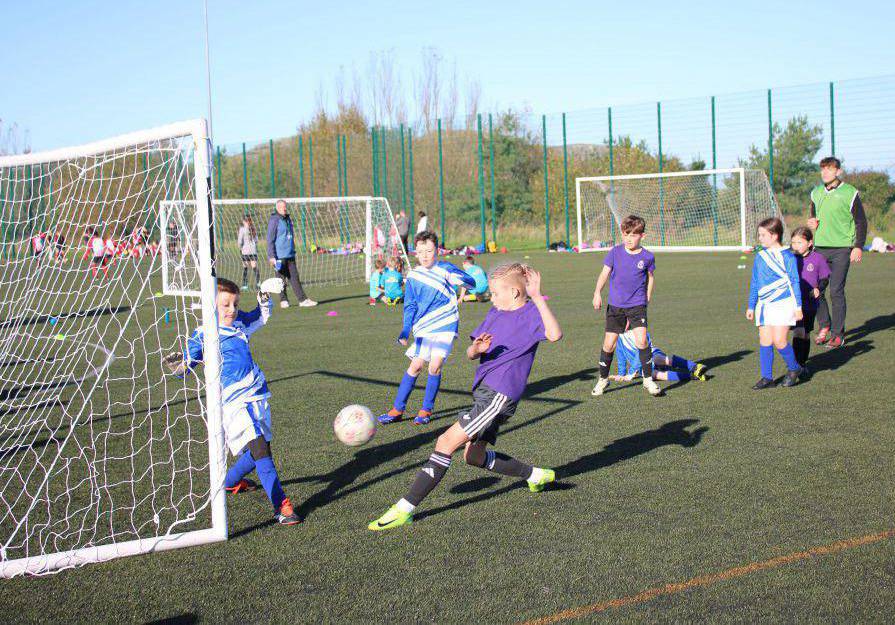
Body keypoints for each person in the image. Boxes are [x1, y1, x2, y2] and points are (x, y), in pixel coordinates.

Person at [368, 263, 562, 531]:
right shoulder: (495, 312)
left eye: (495, 292)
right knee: (474, 456)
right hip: (485, 393)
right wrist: (476, 348)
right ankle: (535, 475)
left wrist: (538, 297)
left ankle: (404, 508)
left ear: (516, 292)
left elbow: (554, 335)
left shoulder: (531, 313)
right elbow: (471, 353)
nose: (490, 297)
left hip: (499, 396)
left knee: (445, 441)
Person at [163, 277, 300, 526]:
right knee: (260, 448)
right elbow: (186, 364)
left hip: (258, 394)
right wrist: (177, 365)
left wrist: (264, 296)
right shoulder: (203, 334)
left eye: (235, 304)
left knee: (259, 450)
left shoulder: (238, 324)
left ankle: (230, 481)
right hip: (233, 402)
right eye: (225, 305)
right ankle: (281, 506)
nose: (232, 310)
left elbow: (260, 317)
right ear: (210, 305)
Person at [378, 231, 475, 426]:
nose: (424, 255)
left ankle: (426, 409)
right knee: (415, 366)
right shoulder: (414, 275)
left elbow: (472, 283)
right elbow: (410, 305)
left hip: (445, 324)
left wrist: (460, 278)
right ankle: (398, 409)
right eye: (420, 251)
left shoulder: (445, 268)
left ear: (437, 250)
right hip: (423, 327)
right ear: (415, 253)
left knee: (434, 365)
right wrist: (406, 330)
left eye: (429, 250)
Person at [590, 214, 661, 397]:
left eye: (633, 235)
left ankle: (647, 380)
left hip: (637, 305)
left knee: (642, 341)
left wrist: (647, 298)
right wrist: (597, 293)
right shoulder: (615, 252)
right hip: (616, 306)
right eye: (626, 234)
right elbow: (604, 274)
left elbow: (650, 278)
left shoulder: (647, 257)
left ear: (642, 236)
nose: (629, 238)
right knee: (609, 344)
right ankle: (603, 380)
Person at [806, 157, 867, 349]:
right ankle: (824, 325)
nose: (825, 173)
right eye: (823, 169)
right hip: (820, 249)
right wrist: (811, 223)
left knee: (836, 291)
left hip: (842, 249)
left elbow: (860, 222)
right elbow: (813, 217)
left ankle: (838, 335)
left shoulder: (850, 193)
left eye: (829, 169)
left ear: (838, 171)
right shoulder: (816, 193)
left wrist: (858, 246)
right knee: (814, 290)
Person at [746, 217, 803, 389]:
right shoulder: (760, 256)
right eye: (759, 235)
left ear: (775, 235)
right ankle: (767, 378)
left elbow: (794, 282)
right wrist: (751, 305)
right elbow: (755, 282)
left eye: (763, 235)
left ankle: (794, 369)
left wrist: (798, 306)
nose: (760, 238)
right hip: (764, 305)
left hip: (784, 303)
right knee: (765, 340)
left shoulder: (788, 256)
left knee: (779, 341)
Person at [790, 226, 831, 372]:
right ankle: (797, 365)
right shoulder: (790, 258)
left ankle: (801, 364)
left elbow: (825, 278)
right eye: (793, 242)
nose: (796, 246)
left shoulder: (818, 258)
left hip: (809, 304)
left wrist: (818, 289)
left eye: (799, 242)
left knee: (805, 333)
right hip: (793, 304)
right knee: (798, 332)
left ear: (810, 242)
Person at [610, 327, 707, 384]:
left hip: (652, 355)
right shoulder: (619, 336)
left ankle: (694, 366)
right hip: (640, 366)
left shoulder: (639, 330)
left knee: (657, 358)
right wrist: (621, 374)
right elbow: (620, 355)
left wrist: (631, 372)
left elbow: (640, 352)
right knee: (652, 374)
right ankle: (691, 376)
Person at [266, 199, 317, 308]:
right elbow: (270, 239)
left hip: (290, 255)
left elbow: (290, 236)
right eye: (281, 207)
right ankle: (283, 300)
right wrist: (271, 256)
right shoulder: (274, 220)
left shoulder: (288, 219)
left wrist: (293, 249)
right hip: (279, 256)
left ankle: (302, 300)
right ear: (277, 208)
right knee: (280, 280)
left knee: (295, 278)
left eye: (285, 206)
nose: (284, 209)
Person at [237, 216, 261, 291]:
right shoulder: (253, 228)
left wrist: (240, 248)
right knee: (254, 267)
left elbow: (240, 241)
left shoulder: (242, 229)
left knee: (245, 267)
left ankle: (245, 285)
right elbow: (256, 240)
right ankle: (258, 283)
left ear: (244, 221)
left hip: (245, 251)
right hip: (253, 251)